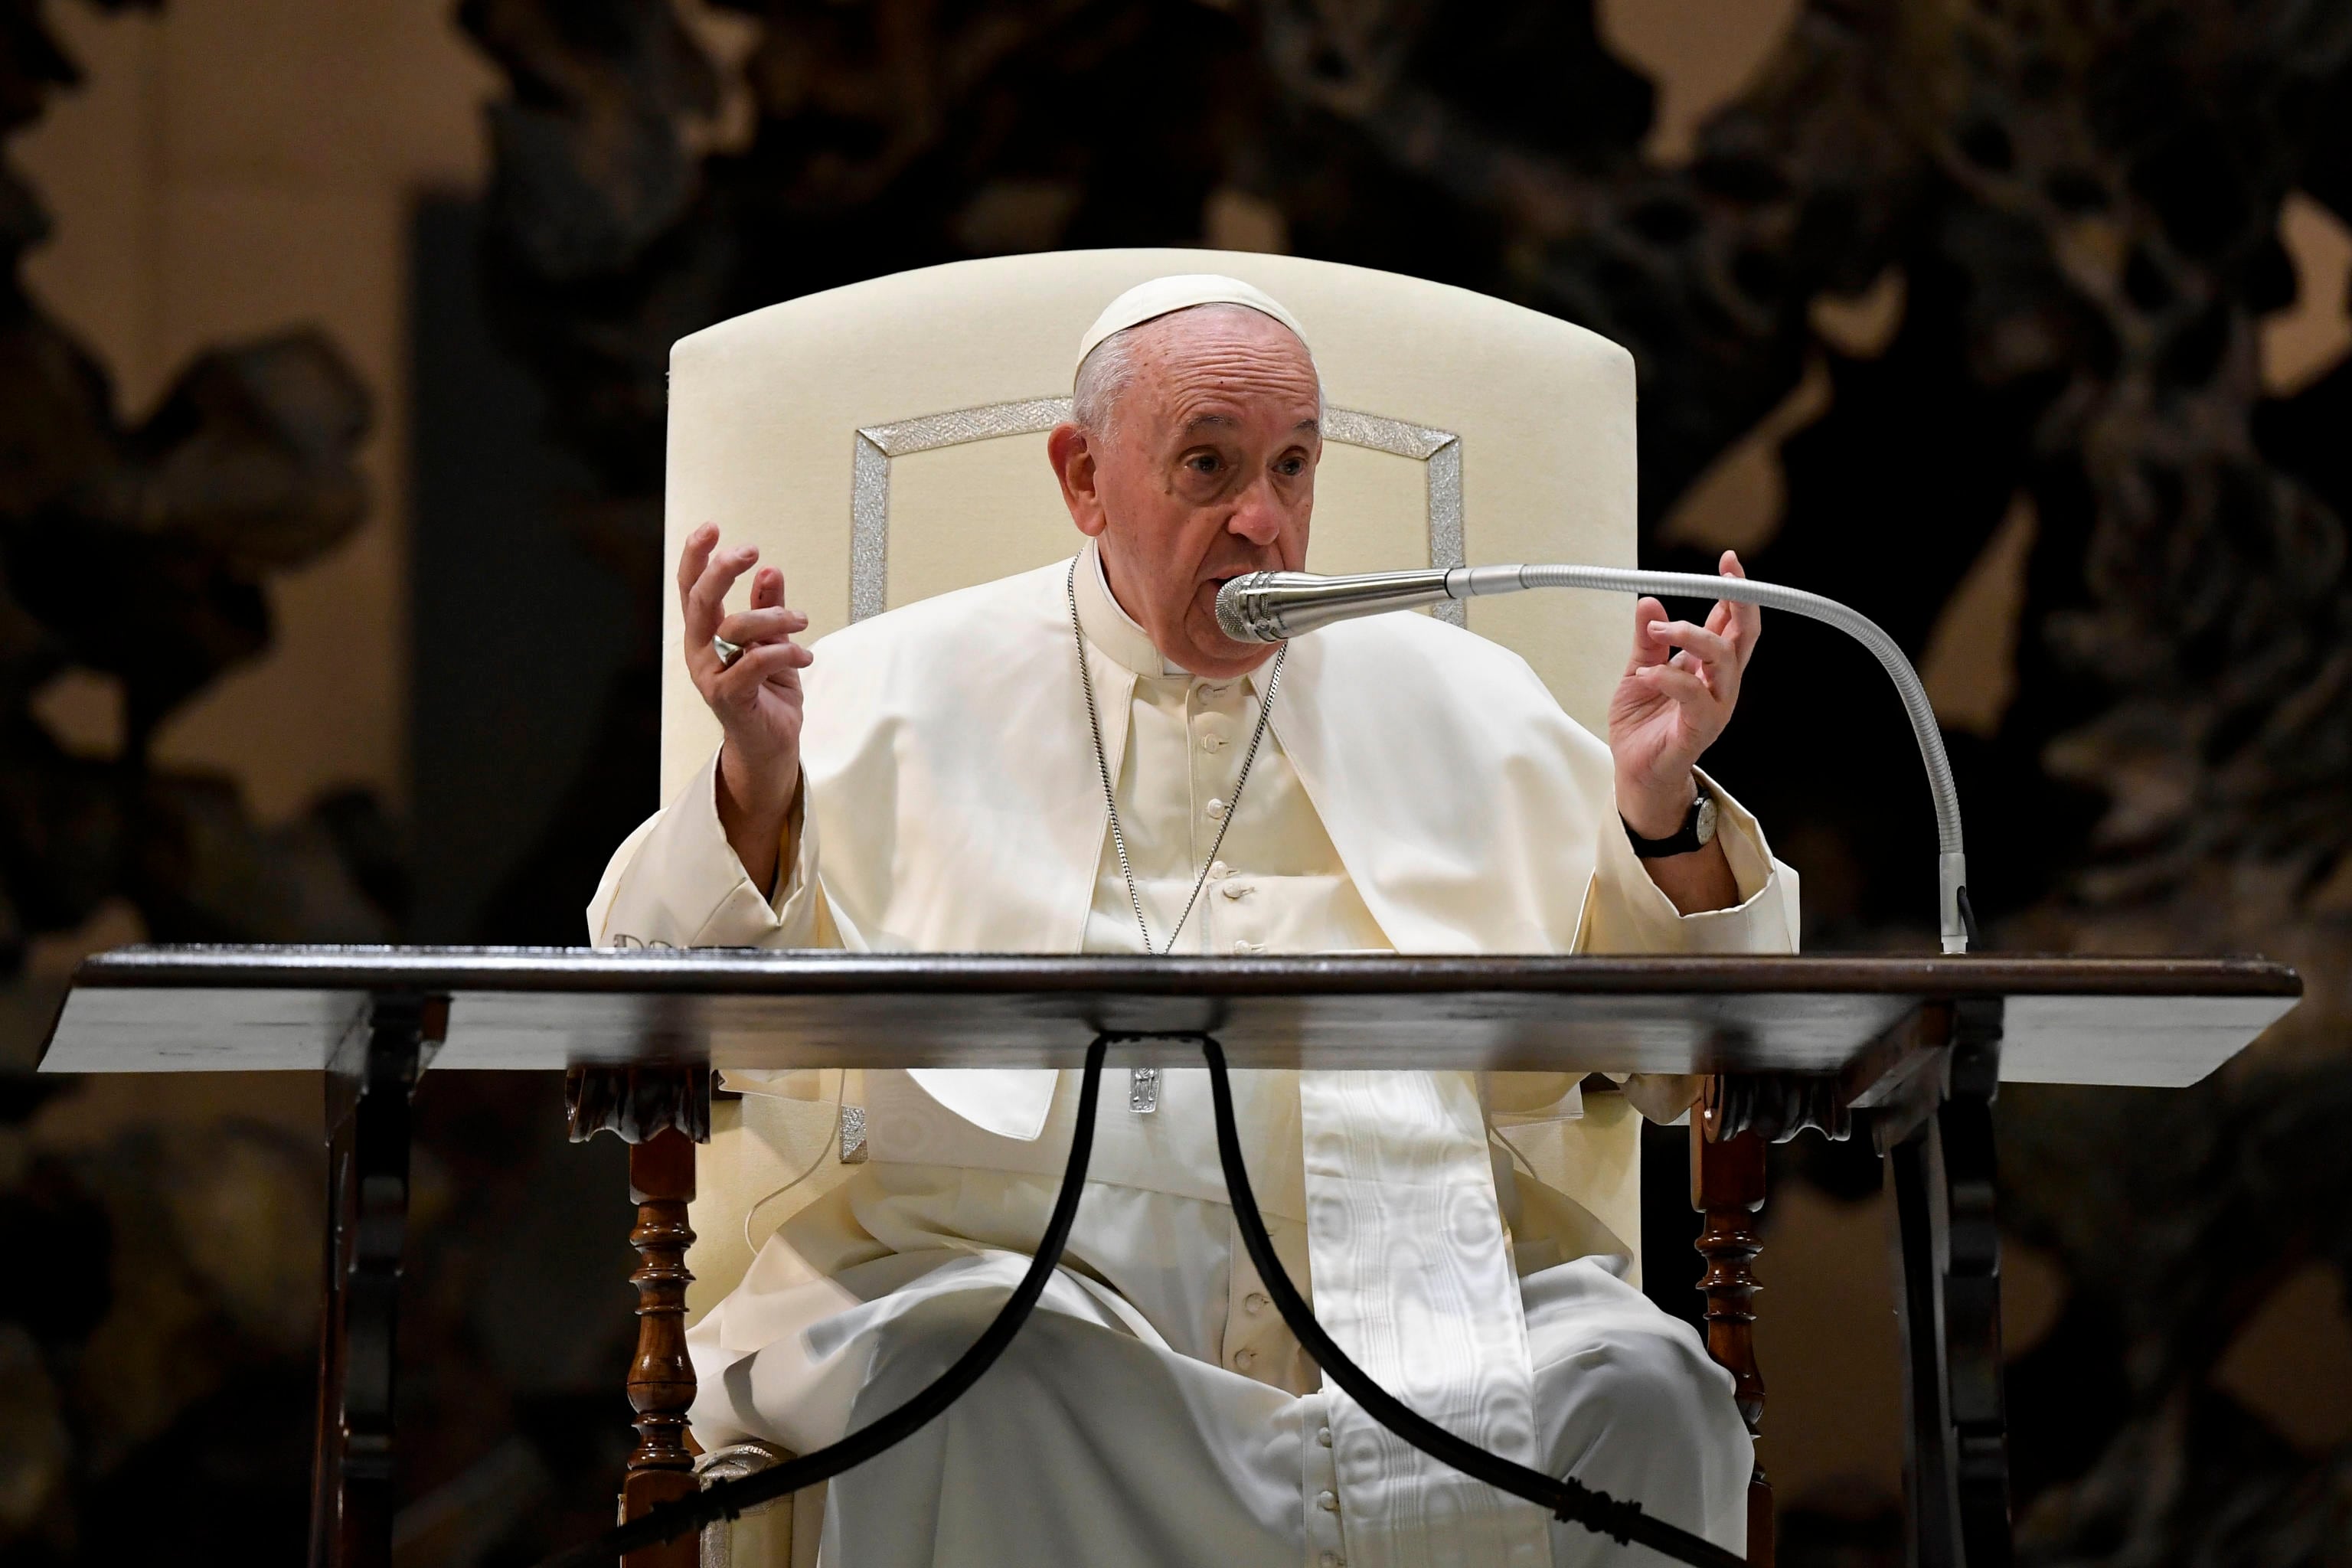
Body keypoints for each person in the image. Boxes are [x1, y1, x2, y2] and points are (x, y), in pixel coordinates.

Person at [591, 275, 1797, 1567]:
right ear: (1084, 478)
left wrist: (1662, 818)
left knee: (1653, 1392)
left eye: (1292, 466)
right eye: (1209, 466)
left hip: (1419, 1289)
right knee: (958, 1378)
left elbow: (1680, 1062)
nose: (1264, 522)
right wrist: (756, 789)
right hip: (1025, 1290)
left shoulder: (1463, 699)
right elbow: (667, 998)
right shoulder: (889, 689)